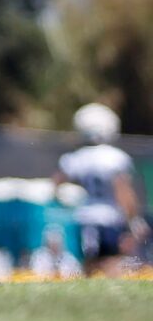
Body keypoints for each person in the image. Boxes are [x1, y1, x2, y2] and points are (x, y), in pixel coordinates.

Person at [56, 102, 142, 269]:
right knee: (112, 261)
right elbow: (123, 192)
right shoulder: (116, 158)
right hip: (110, 217)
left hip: (84, 216)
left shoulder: (75, 158)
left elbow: (57, 183)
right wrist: (133, 219)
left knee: (88, 264)